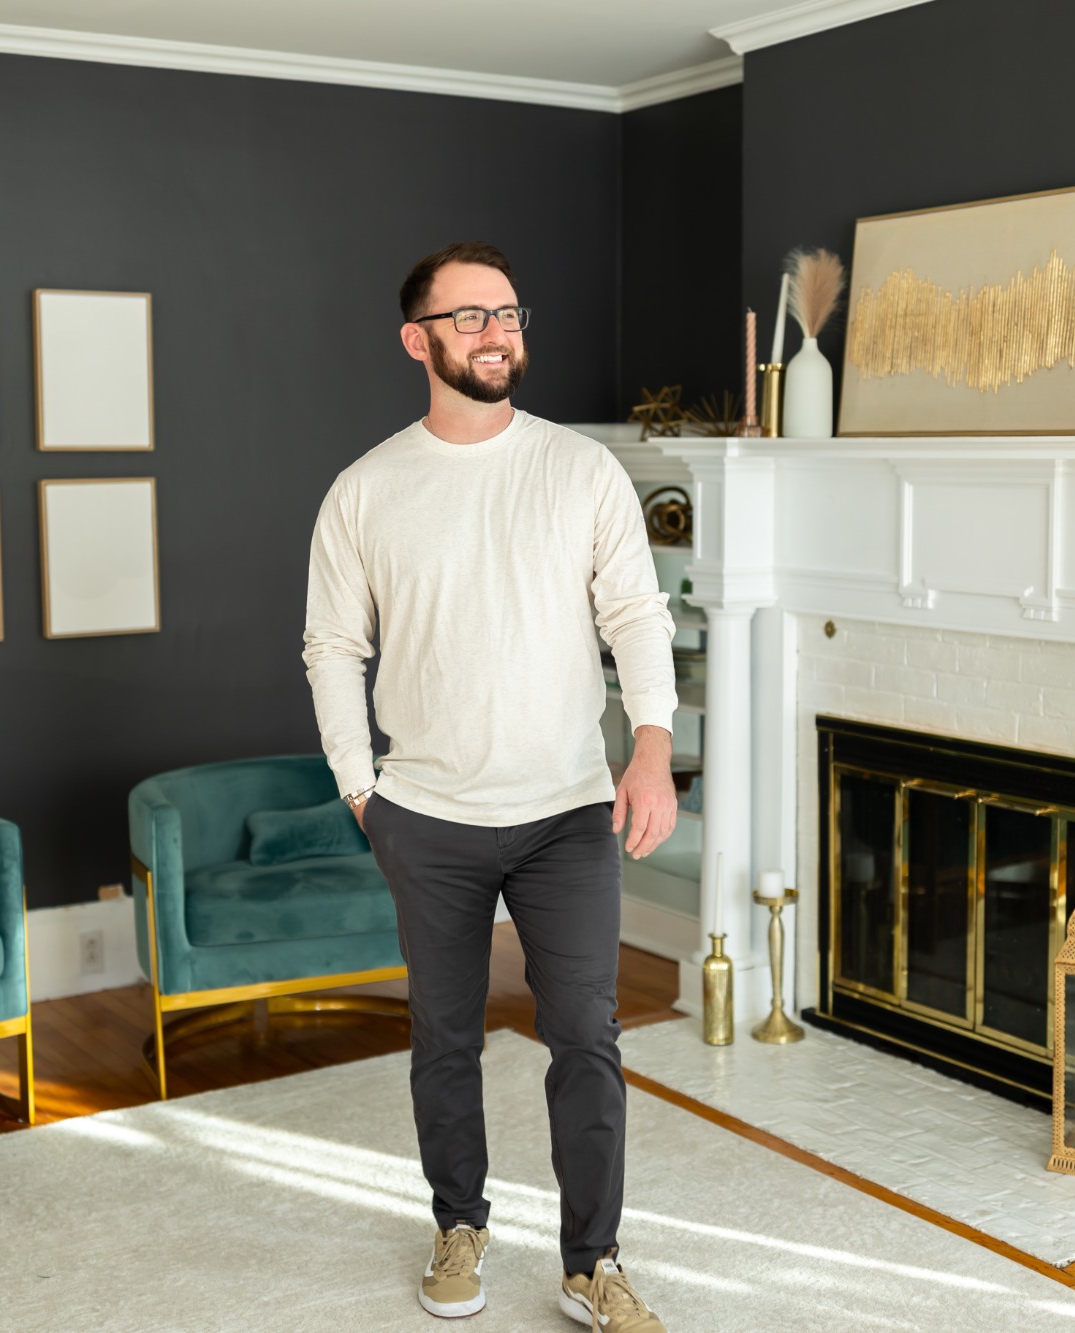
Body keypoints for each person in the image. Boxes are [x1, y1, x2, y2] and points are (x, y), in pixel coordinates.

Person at [302, 241, 679, 1331]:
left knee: (586, 1037)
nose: (496, 332)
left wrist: (647, 744)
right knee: (444, 1037)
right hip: (423, 816)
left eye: (507, 312)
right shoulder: (366, 490)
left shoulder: (579, 471)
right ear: (416, 340)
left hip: (565, 813)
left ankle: (590, 1262)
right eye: (468, 318)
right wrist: (358, 789)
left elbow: (633, 618)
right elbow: (332, 647)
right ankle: (458, 1223)